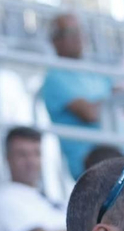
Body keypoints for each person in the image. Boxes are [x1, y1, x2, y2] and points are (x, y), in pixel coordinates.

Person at [39, 13, 113, 179]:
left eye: (79, 31)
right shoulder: (54, 78)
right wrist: (112, 102)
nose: (78, 37)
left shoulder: (96, 72)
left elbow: (122, 99)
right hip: (90, 159)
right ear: (55, 40)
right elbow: (90, 114)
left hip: (116, 150)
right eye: (69, 33)